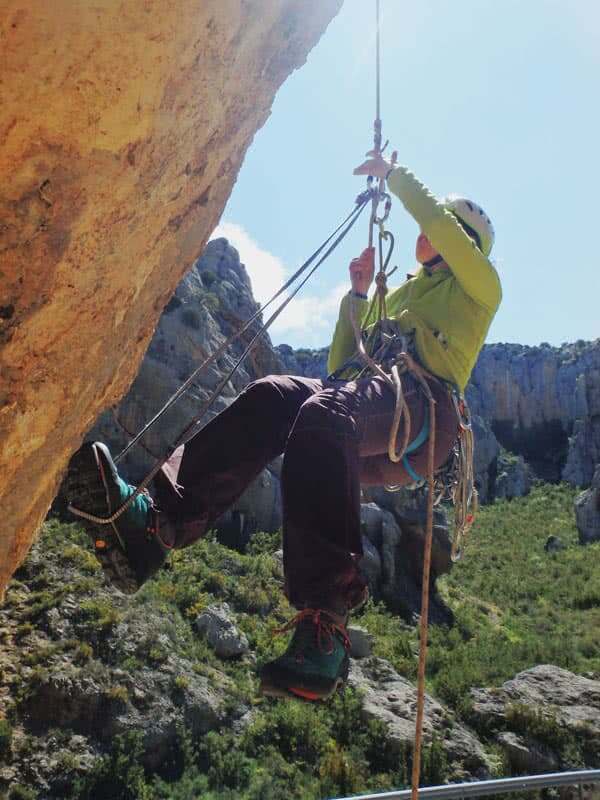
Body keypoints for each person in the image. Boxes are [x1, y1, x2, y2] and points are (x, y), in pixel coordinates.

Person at [66, 153, 501, 702]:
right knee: (276, 398)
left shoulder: (480, 289)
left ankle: (326, 623)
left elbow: (440, 228)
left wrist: (394, 175)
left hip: (422, 410)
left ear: (462, 240)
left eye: (444, 227)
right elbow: (342, 367)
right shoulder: (408, 293)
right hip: (370, 409)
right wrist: (359, 296)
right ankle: (159, 527)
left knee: (326, 414)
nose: (427, 230)